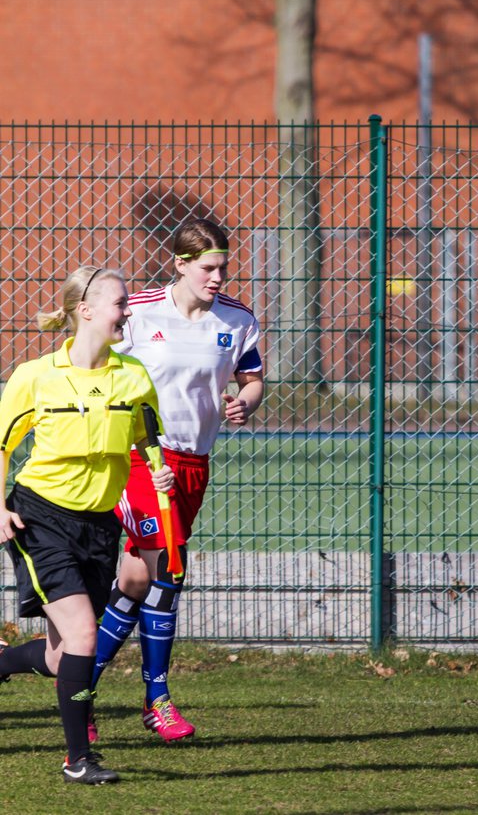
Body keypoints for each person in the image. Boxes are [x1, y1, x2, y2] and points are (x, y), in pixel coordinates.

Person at [90, 218, 264, 743]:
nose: (217, 278)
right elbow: (96, 369)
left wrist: (244, 404)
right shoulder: (139, 313)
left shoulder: (237, 319)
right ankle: (158, 700)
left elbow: (252, 379)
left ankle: (79, 688)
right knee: (170, 565)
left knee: (136, 582)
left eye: (223, 268)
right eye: (207, 268)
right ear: (181, 264)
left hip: (194, 463)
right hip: (142, 460)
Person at [0, 267, 175, 785]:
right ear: (88, 310)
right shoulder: (35, 376)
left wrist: (158, 470)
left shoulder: (134, 376)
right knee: (83, 634)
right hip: (40, 517)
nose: (129, 311)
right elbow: (2, 446)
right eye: (121, 303)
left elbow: (147, 442)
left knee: (60, 657)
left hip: (100, 527)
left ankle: (5, 663)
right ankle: (79, 759)